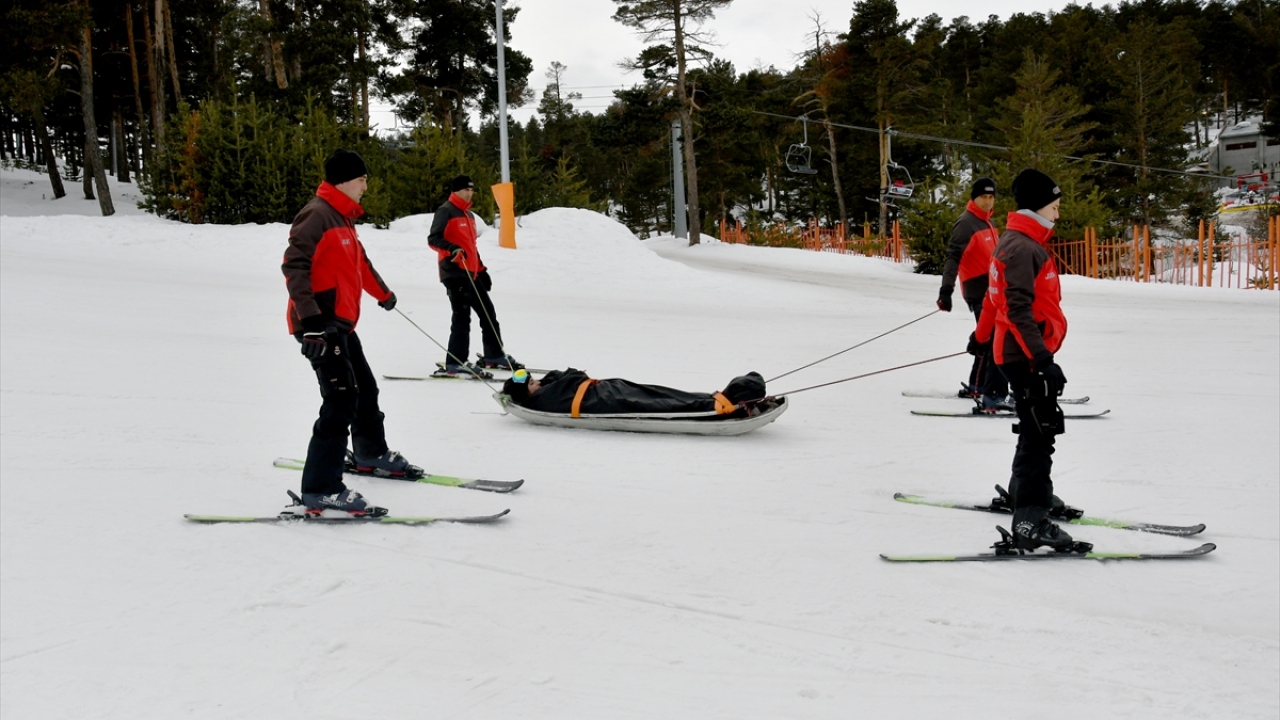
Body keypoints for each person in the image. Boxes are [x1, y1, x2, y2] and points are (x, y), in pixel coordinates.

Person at [281, 148, 420, 515]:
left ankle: (370, 453)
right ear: (344, 180)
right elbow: (295, 266)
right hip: (320, 326)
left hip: (339, 324)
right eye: (362, 179)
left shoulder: (342, 219)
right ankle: (321, 489)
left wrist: (384, 294)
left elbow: (360, 265)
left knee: (365, 389)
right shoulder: (317, 215)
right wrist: (311, 325)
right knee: (340, 401)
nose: (366, 186)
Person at [973, 168, 1072, 551]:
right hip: (1024, 355)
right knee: (1040, 431)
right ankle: (1030, 519)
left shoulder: (1017, 241)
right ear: (1036, 207)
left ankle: (1025, 494)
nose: (1057, 214)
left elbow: (992, 300)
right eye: (1054, 206)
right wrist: (1043, 359)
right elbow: (1016, 309)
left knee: (1034, 425)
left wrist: (981, 337)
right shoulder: (1022, 247)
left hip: (1019, 352)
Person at [427, 174, 521, 375]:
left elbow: (471, 247)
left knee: (488, 313)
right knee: (462, 317)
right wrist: (451, 248)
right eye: (465, 190)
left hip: (471, 273)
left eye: (471, 190)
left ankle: (494, 355)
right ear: (455, 191)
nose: (469, 194)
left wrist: (482, 270)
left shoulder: (469, 216)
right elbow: (433, 239)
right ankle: (455, 362)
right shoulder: (446, 211)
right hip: (453, 272)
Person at [937, 177, 1009, 411]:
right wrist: (946, 290)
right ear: (974, 198)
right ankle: (988, 391)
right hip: (979, 291)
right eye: (983, 197)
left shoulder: (988, 222)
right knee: (991, 339)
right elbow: (953, 256)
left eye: (991, 197)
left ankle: (977, 385)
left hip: (994, 290)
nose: (988, 202)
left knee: (986, 338)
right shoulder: (966, 223)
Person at [502, 369, 767, 418]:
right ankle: (723, 407)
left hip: (607, 389)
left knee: (663, 392)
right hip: (606, 401)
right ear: (527, 393)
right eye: (531, 383)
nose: (537, 382)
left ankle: (719, 399)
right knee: (660, 404)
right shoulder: (540, 401)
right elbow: (572, 377)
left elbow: (569, 376)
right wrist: (557, 379)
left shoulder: (542, 391)